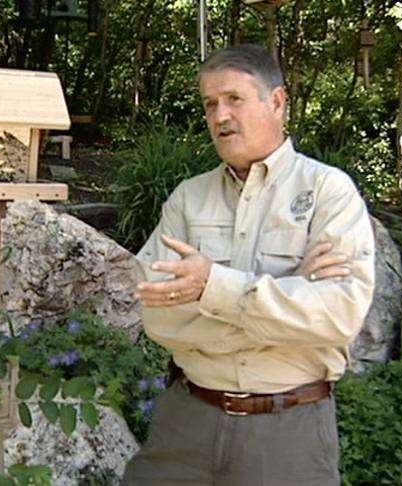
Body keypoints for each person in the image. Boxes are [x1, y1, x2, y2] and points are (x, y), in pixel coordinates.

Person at [122, 44, 376, 486]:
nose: (220, 116)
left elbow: (338, 315)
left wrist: (211, 288)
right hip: (186, 423)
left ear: (276, 102)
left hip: (287, 433)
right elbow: (158, 317)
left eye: (233, 99)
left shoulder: (327, 192)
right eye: (209, 104)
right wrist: (288, 289)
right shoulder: (188, 198)